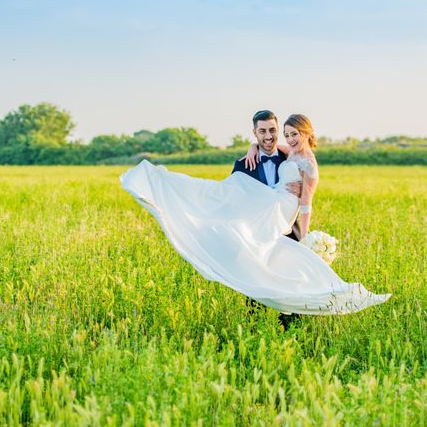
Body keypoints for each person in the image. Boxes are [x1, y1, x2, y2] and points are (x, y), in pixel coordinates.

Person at [120, 114, 390, 318]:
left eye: (285, 132)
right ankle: (163, 190)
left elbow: (307, 201)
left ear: (305, 132)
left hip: (282, 214)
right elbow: (262, 161)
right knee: (220, 196)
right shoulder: (277, 155)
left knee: (288, 268)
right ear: (256, 132)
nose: (283, 137)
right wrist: (252, 148)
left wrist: (305, 236)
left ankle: (296, 315)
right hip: (264, 204)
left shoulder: (301, 160)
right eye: (282, 133)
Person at [232, 110, 302, 328]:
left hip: (288, 235)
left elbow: (309, 192)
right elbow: (235, 201)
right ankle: (255, 331)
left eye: (272, 130)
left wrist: (303, 189)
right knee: (257, 288)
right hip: (257, 237)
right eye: (262, 131)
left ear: (278, 130)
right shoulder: (243, 165)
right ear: (254, 132)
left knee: (290, 287)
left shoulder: (293, 159)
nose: (268, 136)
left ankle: (292, 333)